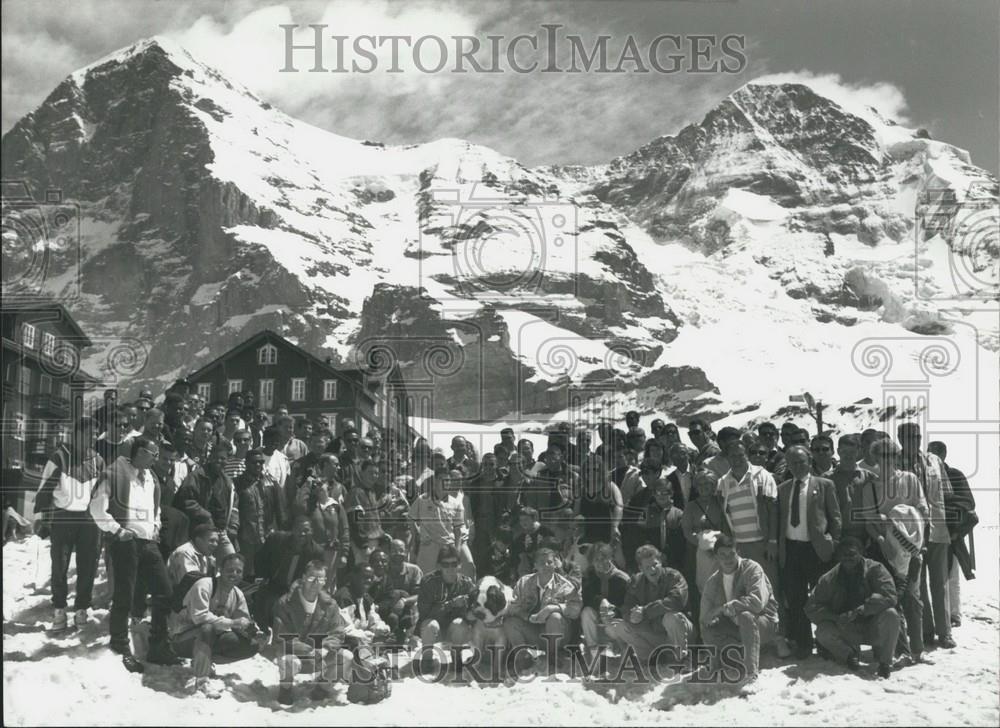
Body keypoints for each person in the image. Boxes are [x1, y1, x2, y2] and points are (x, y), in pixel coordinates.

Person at [90, 436, 179, 672]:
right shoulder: (115, 473)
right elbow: (96, 508)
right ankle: (120, 646)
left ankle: (158, 645)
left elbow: (155, 507)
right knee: (124, 596)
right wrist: (117, 530)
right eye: (153, 453)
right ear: (139, 452)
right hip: (125, 541)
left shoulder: (150, 477)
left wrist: (156, 524)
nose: (157, 458)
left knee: (164, 591)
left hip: (148, 542)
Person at [861, 439, 929, 665]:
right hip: (882, 551)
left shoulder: (909, 480)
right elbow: (870, 521)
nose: (888, 459)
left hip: (910, 550)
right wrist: (882, 541)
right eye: (883, 455)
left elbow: (922, 511)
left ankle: (918, 650)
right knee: (890, 600)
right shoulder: (870, 487)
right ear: (875, 458)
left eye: (892, 455)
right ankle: (896, 648)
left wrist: (914, 540)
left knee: (912, 598)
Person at [34, 416, 105, 631]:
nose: (92, 437)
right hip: (63, 516)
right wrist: (41, 518)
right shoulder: (59, 457)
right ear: (76, 434)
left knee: (88, 564)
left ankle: (82, 608)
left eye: (95, 434)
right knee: (60, 565)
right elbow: (44, 489)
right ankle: (59, 609)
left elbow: (103, 493)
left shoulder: (98, 460)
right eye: (88, 433)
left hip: (89, 519)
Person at [270, 559, 369, 705]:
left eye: (320, 579)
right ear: (303, 578)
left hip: (319, 655)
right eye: (311, 578)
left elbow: (337, 633)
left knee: (346, 657)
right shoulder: (285, 603)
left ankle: (321, 689)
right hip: (295, 653)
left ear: (325, 582)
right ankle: (286, 689)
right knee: (288, 660)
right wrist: (309, 650)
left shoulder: (330, 605)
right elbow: (282, 637)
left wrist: (324, 648)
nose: (315, 584)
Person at [777, 445, 842, 659]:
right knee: (796, 600)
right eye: (792, 463)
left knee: (821, 598)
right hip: (791, 549)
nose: (797, 466)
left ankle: (825, 643)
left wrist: (833, 542)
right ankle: (804, 643)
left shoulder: (825, 485)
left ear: (809, 461)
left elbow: (835, 518)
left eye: (801, 462)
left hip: (816, 550)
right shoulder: (783, 488)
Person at [806, 537, 899, 680]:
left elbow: (890, 596)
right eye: (844, 555)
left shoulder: (876, 569)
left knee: (891, 614)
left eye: (852, 554)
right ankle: (849, 655)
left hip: (873, 627)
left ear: (861, 553)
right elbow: (811, 607)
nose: (848, 558)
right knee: (822, 631)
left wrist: (861, 610)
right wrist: (835, 617)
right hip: (847, 628)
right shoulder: (829, 578)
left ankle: (885, 663)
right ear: (838, 557)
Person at [170, 552, 260, 698]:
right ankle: (201, 680)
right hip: (183, 639)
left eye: (238, 571)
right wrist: (232, 622)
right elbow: (200, 617)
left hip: (211, 638)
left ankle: (204, 660)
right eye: (230, 570)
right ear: (220, 569)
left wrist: (250, 629)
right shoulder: (205, 584)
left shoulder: (237, 594)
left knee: (251, 645)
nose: (234, 574)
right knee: (207, 628)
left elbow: (242, 619)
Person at [897, 422, 955, 649]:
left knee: (940, 582)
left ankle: (945, 632)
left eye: (918, 436)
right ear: (901, 439)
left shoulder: (934, 461)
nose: (915, 441)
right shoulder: (896, 462)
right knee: (917, 583)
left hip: (938, 528)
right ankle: (926, 630)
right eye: (909, 437)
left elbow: (947, 492)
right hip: (913, 531)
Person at [700, 534, 779, 687]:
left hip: (763, 623)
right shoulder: (713, 581)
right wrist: (718, 612)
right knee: (708, 627)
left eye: (731, 554)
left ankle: (751, 672)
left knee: (745, 616)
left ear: (738, 552)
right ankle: (724, 660)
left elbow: (756, 603)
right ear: (716, 557)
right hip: (734, 627)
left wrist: (733, 605)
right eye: (722, 555)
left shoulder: (752, 568)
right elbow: (704, 616)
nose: (727, 559)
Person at [606, 544, 691, 664]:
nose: (653, 569)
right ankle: (651, 657)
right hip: (653, 633)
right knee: (619, 626)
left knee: (671, 617)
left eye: (655, 564)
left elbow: (676, 601)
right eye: (647, 567)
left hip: (678, 634)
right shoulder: (636, 581)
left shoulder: (674, 576)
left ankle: (681, 658)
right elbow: (627, 607)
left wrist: (645, 612)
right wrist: (633, 616)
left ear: (661, 561)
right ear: (640, 568)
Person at [504, 547, 583, 673]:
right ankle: (523, 657)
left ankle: (553, 657)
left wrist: (553, 608)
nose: (546, 565)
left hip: (559, 635)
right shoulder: (524, 582)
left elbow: (575, 609)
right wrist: (528, 617)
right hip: (534, 632)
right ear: (535, 565)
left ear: (555, 564)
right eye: (541, 563)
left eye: (549, 562)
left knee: (555, 617)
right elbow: (512, 606)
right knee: (510, 623)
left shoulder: (565, 585)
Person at [716, 441, 778, 589]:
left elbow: (773, 510)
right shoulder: (723, 483)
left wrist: (772, 541)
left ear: (747, 456)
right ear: (727, 458)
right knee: (747, 588)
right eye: (732, 456)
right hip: (739, 546)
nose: (736, 460)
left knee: (769, 586)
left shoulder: (762, 476)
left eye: (740, 456)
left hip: (761, 543)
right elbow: (725, 516)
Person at [928, 440, 977, 628]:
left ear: (944, 455)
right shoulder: (926, 475)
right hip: (933, 532)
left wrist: (952, 514)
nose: (932, 458)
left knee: (952, 574)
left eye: (935, 454)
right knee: (934, 576)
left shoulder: (955, 475)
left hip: (953, 532)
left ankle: (954, 614)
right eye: (929, 453)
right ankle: (938, 613)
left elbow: (969, 503)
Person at [253, 515, 327, 630]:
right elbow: (260, 558)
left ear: (312, 531)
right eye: (299, 530)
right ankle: (263, 632)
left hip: (298, 591)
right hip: (273, 584)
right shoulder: (276, 539)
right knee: (264, 603)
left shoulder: (316, 552)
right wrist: (262, 576)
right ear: (292, 530)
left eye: (306, 531)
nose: (302, 534)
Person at [414, 545, 480, 674]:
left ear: (460, 565)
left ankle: (456, 659)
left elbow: (474, 612)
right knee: (430, 625)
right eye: (446, 564)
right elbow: (424, 613)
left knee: (459, 624)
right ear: (439, 566)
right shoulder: (428, 581)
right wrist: (451, 604)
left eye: (454, 564)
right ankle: (427, 661)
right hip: (434, 629)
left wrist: (468, 608)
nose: (450, 568)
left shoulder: (467, 583)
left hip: (456, 631)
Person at [173, 444, 239, 559]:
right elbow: (186, 500)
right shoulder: (196, 476)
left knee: (231, 560)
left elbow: (234, 504)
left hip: (221, 531)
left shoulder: (227, 481)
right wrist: (206, 516)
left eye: (223, 458)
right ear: (210, 457)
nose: (219, 461)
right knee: (206, 564)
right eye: (216, 458)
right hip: (201, 531)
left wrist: (233, 526)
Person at [680, 470, 726, 636]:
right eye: (701, 484)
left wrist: (717, 544)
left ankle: (722, 632)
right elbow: (687, 531)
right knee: (700, 595)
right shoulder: (691, 506)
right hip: (696, 554)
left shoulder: (720, 503)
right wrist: (703, 543)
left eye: (708, 484)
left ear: (714, 485)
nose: (704, 487)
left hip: (720, 554)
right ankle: (702, 635)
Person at [408, 461, 466, 575]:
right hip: (428, 547)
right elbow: (410, 518)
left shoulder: (456, 504)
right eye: (441, 480)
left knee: (447, 579)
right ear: (435, 481)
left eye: (448, 480)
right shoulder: (422, 499)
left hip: (447, 547)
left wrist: (457, 550)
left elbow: (458, 530)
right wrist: (417, 534)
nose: (445, 483)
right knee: (425, 579)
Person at [235, 448, 279, 580]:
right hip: (246, 538)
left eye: (261, 462)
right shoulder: (237, 483)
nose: (258, 465)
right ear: (246, 463)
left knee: (264, 574)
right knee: (246, 575)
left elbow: (278, 508)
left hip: (265, 536)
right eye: (255, 462)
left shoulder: (269, 483)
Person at [579, 542, 630, 653]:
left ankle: (624, 649)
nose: (600, 563)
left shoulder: (622, 578)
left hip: (615, 619)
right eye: (596, 560)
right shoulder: (590, 576)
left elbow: (628, 603)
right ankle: (593, 650)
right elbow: (586, 597)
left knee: (613, 627)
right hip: (598, 617)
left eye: (603, 559)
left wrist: (614, 611)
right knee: (586, 613)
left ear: (610, 558)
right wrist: (601, 601)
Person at [368, 543, 422, 645]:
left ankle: (412, 635)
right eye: (394, 550)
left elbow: (420, 595)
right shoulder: (382, 569)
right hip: (383, 607)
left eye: (401, 550)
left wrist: (403, 601)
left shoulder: (414, 570)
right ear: (389, 553)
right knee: (393, 617)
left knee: (414, 604)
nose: (398, 553)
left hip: (405, 605)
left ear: (406, 552)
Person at [830, 435, 877, 546]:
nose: (848, 455)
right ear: (838, 451)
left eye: (852, 451)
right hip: (837, 536)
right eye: (844, 451)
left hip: (865, 536)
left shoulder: (869, 478)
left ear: (858, 451)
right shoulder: (827, 479)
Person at [335, 565, 392, 645]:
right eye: (365, 577)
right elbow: (346, 629)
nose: (369, 581)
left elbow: (374, 620)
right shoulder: (344, 597)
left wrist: (381, 629)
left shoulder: (366, 597)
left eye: (371, 578)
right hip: (343, 640)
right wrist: (365, 635)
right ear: (353, 578)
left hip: (361, 638)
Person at [346, 460, 386, 566]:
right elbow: (354, 521)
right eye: (370, 473)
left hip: (375, 542)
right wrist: (363, 545)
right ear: (361, 473)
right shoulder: (356, 492)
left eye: (376, 473)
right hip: (363, 544)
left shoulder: (372, 492)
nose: (374, 476)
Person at [166, 522, 218, 590]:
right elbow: (191, 584)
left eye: (217, 541)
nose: (215, 544)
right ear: (198, 540)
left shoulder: (206, 555)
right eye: (212, 540)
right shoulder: (185, 552)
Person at [507, 506, 554, 579]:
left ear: (533, 519)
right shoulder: (519, 538)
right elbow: (514, 558)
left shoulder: (545, 532)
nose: (523, 523)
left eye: (526, 519)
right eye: (521, 520)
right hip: (527, 571)